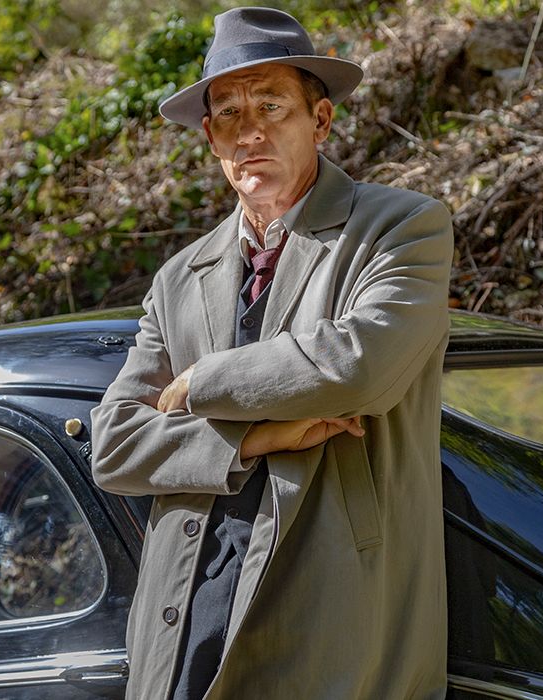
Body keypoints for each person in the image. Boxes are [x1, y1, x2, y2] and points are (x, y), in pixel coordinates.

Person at [89, 7, 452, 698]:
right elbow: (112, 444)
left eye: (272, 105)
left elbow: (357, 367)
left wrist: (198, 382)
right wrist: (255, 437)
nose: (249, 130)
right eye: (227, 113)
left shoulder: (401, 228)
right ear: (209, 137)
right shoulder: (179, 277)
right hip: (185, 609)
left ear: (320, 121)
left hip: (327, 617)